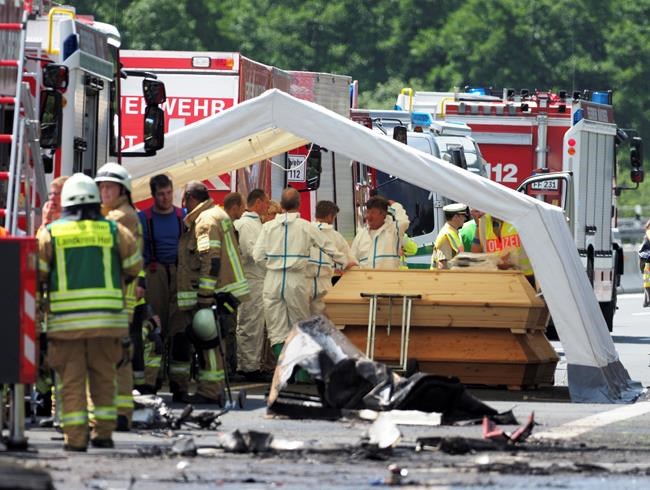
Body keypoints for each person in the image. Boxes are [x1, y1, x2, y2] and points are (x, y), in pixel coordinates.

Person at [37, 173, 141, 451]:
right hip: (108, 323)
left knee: (71, 382)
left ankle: (75, 439)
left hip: (65, 326)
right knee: (104, 377)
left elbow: (39, 276)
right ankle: (103, 434)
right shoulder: (114, 231)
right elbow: (133, 266)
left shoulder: (51, 234)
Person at [253, 188, 353, 358]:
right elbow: (327, 246)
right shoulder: (305, 227)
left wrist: (272, 266)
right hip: (296, 279)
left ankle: (284, 370)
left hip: (272, 280)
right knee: (300, 325)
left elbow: (257, 256)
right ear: (299, 204)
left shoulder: (268, 227)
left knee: (276, 328)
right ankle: (302, 373)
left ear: (281, 204)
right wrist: (346, 262)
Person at [176, 181, 250, 404]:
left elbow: (211, 259)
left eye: (184, 200)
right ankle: (213, 389)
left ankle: (209, 391)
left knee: (209, 341)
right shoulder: (218, 214)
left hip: (217, 292)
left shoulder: (205, 221)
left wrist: (205, 296)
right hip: (229, 289)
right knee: (216, 342)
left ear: (190, 198)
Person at [95, 163, 145, 431]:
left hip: (118, 300)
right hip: (117, 298)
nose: (104, 191)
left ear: (122, 190)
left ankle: (121, 413)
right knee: (119, 357)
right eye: (101, 186)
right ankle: (121, 411)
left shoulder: (120, 217)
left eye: (109, 187)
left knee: (117, 358)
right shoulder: (115, 213)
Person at [137, 174, 185, 394]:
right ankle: (151, 381)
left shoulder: (181, 216)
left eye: (168, 193)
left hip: (177, 274)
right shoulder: (143, 218)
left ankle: (179, 382)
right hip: (154, 274)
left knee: (179, 330)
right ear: (153, 195)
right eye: (161, 194)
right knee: (155, 328)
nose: (166, 198)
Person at [233, 189, 270, 380]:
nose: (268, 206)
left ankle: (250, 363)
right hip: (253, 278)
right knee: (250, 323)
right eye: (266, 202)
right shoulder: (248, 225)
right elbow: (251, 252)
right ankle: (249, 367)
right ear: (258, 202)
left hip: (255, 278)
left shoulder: (253, 223)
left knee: (252, 323)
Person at [308, 200, 355, 314]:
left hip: (304, 282)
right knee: (323, 321)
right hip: (324, 283)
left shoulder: (305, 230)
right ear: (330, 216)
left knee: (302, 321)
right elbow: (350, 261)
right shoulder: (335, 236)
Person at [351, 196, 410, 269]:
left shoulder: (393, 231)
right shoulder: (361, 235)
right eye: (368, 212)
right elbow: (352, 261)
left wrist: (395, 206)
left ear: (383, 214)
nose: (368, 216)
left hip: (388, 280)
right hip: (365, 280)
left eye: (373, 212)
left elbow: (404, 222)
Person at [475, 213, 533, 280]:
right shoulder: (483, 221)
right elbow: (477, 252)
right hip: (497, 277)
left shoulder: (522, 216)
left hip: (526, 277)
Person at [431, 203, 467, 270]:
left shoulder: (452, 232)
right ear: (455, 217)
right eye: (463, 215)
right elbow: (443, 266)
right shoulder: (446, 235)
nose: (465, 218)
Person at [640, 220, 650, 307]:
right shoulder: (647, 236)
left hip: (647, 262)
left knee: (647, 282)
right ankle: (646, 301)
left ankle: (646, 301)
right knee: (647, 282)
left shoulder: (647, 236)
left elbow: (642, 251)